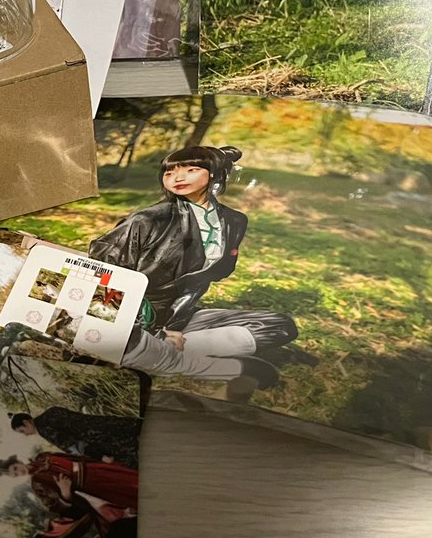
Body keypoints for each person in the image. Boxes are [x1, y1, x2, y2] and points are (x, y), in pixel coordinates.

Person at [89, 145, 300, 395]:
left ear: (215, 174)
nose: (177, 178)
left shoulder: (234, 221)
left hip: (180, 314)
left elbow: (215, 272)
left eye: (191, 170)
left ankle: (158, 350)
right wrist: (145, 327)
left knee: (279, 326)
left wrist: (169, 329)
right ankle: (156, 349)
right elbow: (106, 276)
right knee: (114, 337)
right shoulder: (147, 219)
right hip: (134, 315)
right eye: (169, 172)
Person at [0, 452, 138, 515]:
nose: (19, 472)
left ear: (17, 462)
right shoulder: (37, 484)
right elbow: (54, 506)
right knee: (131, 492)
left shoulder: (43, 456)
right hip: (93, 486)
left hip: (96, 468)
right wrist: (65, 492)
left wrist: (100, 460)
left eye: (15, 468)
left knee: (134, 478)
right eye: (15, 475)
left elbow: (73, 456)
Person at [11, 408, 142, 466]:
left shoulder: (44, 429)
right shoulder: (51, 412)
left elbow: (75, 445)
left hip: (105, 441)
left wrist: (100, 456)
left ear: (26, 422)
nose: (25, 435)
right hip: (109, 424)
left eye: (22, 431)